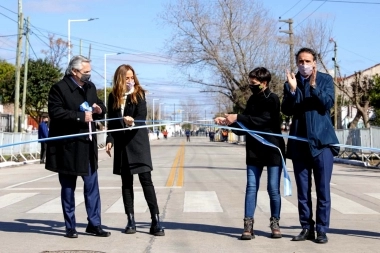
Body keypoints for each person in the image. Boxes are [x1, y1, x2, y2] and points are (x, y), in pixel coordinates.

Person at [214, 67, 285, 240]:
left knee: (273, 189)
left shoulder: (273, 99)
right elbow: (244, 128)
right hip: (254, 150)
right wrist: (228, 123)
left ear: (264, 83)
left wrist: (238, 117)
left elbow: (264, 121)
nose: (251, 85)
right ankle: (248, 224)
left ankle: (275, 222)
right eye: (250, 82)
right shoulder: (252, 100)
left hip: (272, 149)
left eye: (254, 83)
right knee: (251, 187)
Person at [46, 55, 110, 239]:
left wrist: (99, 110)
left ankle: (94, 224)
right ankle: (70, 226)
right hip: (67, 147)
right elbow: (56, 112)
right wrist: (80, 117)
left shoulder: (90, 87)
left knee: (92, 187)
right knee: (68, 188)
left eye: (89, 72)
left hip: (87, 146)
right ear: (74, 71)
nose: (89, 75)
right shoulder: (59, 88)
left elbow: (100, 105)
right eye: (86, 72)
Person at [281, 47, 339, 244]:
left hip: (322, 144)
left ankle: (322, 229)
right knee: (303, 191)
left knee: (323, 190)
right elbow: (287, 110)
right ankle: (307, 227)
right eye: (300, 61)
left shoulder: (325, 79)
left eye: (307, 61)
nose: (303, 65)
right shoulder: (292, 82)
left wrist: (314, 87)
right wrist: (292, 89)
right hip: (299, 145)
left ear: (314, 62)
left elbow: (327, 103)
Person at [105, 64, 165, 236]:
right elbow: (111, 121)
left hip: (138, 143)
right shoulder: (113, 96)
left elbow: (142, 116)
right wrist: (110, 139)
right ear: (120, 79)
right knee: (126, 183)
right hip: (122, 144)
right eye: (127, 78)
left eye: (132, 77)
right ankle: (130, 220)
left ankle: (155, 221)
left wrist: (132, 122)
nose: (130, 81)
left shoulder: (138, 94)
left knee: (146, 180)